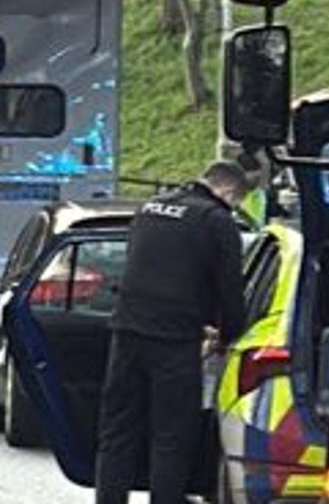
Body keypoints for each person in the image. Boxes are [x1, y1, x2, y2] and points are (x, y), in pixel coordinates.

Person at [94, 161, 249, 504]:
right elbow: (230, 291)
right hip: (175, 342)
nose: (234, 207)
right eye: (236, 200)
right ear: (226, 191)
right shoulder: (215, 220)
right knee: (171, 438)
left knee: (117, 434)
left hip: (126, 334)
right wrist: (229, 334)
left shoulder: (149, 209)